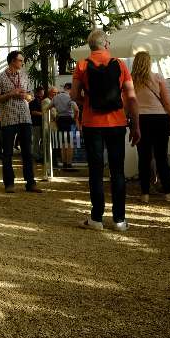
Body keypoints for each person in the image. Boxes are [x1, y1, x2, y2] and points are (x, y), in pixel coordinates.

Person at [71, 30, 139, 231]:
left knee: (96, 171)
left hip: (92, 125)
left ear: (90, 46)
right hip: (117, 123)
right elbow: (132, 97)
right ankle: (119, 220)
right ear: (106, 44)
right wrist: (136, 124)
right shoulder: (119, 64)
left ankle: (96, 218)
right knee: (117, 171)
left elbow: (74, 95)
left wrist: (88, 103)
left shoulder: (82, 65)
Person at [130, 51, 170, 202]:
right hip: (160, 119)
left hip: (141, 120)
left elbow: (128, 103)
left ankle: (144, 193)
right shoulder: (157, 77)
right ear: (149, 62)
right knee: (161, 157)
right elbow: (167, 101)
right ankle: (168, 193)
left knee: (144, 157)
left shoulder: (131, 80)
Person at [0, 51, 41, 193]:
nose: (22, 63)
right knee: (7, 153)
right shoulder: (0, 78)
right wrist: (11, 94)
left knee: (27, 152)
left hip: (25, 117)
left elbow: (31, 96)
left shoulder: (24, 76)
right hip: (8, 118)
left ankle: (30, 183)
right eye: (20, 60)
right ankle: (9, 183)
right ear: (13, 61)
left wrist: (26, 95)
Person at [52, 82, 78, 169]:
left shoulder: (56, 97)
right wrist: (74, 118)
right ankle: (69, 164)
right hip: (69, 120)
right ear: (70, 88)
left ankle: (64, 163)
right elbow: (77, 110)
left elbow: (49, 107)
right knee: (70, 144)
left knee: (63, 143)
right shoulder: (70, 97)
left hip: (60, 120)